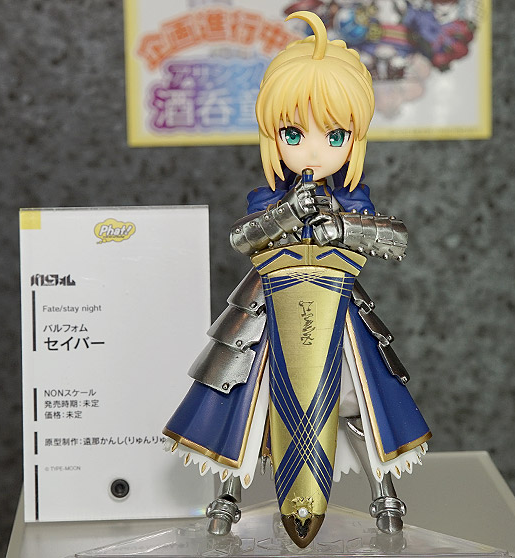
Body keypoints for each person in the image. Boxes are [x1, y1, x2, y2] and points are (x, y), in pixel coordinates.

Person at [163, 11, 431, 548]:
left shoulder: (350, 197)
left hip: (337, 309)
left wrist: (342, 225)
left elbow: (395, 240)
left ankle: (385, 496)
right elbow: (244, 238)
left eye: (334, 135)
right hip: (268, 311)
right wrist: (287, 213)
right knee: (243, 399)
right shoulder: (270, 195)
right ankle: (226, 500)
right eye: (293, 133)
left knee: (359, 404)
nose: (311, 150)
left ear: (354, 138)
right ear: (273, 136)